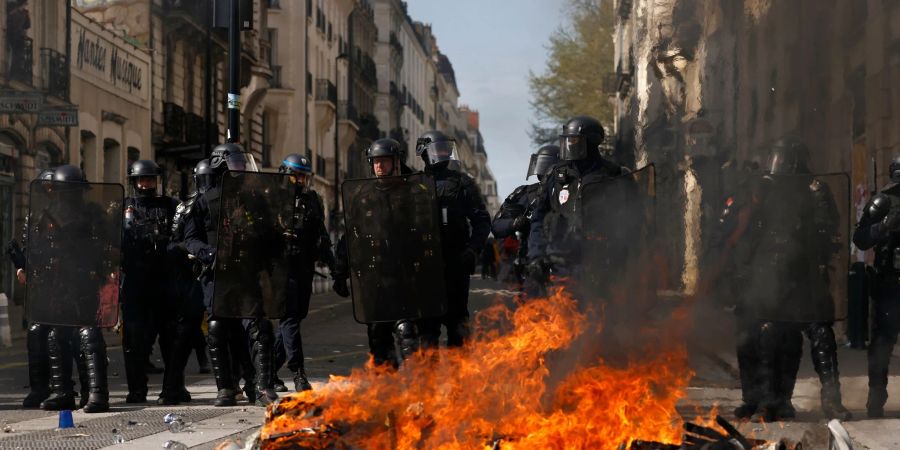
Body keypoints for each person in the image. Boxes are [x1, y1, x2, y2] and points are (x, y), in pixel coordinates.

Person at [735, 137, 850, 421]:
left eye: (783, 157)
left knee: (821, 332)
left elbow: (829, 229)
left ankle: (831, 400)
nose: (780, 162)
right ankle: (767, 400)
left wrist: (813, 250)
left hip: (806, 274)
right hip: (772, 275)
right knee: (766, 331)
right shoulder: (766, 188)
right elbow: (749, 229)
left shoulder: (816, 190)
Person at [183, 143, 283, 406]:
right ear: (221, 166)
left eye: (242, 163)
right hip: (218, 276)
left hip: (247, 273)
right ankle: (226, 387)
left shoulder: (254, 198)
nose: (241, 169)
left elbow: (269, 232)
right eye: (236, 163)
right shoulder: (204, 201)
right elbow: (190, 239)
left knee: (259, 327)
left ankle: (261, 386)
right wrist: (209, 253)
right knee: (218, 328)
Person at [334, 138, 440, 366]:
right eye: (375, 162)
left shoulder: (413, 192)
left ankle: (419, 387)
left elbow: (427, 232)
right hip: (375, 277)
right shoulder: (363, 196)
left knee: (407, 332)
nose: (379, 166)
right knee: (377, 337)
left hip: (405, 275)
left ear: (396, 162)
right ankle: (387, 388)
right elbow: (351, 235)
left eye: (384, 161)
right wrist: (339, 272)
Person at [28, 165, 117, 413]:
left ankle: (97, 393)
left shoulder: (92, 213)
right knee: (57, 336)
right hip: (57, 282)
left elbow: (111, 242)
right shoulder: (46, 216)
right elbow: (35, 247)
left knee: (88, 334)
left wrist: (96, 259)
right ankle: (62, 392)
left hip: (85, 279)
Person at [526, 116, 632, 296]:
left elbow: (629, 221)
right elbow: (538, 217)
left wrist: (622, 259)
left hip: (600, 262)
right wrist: (536, 255)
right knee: (563, 316)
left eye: (574, 141)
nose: (569, 145)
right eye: (567, 140)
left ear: (590, 143)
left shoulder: (614, 175)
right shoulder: (555, 174)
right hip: (560, 261)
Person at [412, 131, 491, 348]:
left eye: (445, 149)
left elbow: (482, 221)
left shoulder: (462, 183)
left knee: (458, 327)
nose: (443, 154)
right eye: (438, 150)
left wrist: (472, 250)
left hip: (455, 263)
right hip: (425, 268)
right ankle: (428, 380)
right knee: (426, 331)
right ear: (425, 153)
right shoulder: (413, 184)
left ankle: (459, 380)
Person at [272, 154, 335, 392]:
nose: (300, 180)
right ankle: (298, 373)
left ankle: (267, 370)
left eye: (303, 176)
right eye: (296, 175)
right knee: (289, 320)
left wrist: (334, 266)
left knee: (295, 319)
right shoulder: (274, 200)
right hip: (282, 270)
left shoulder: (312, 200)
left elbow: (321, 234)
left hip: (305, 268)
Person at [121, 160, 179, 404]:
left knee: (170, 339)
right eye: (142, 180)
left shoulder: (170, 206)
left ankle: (173, 388)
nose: (146, 184)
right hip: (135, 282)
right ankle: (137, 389)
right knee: (134, 340)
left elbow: (181, 235)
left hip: (164, 282)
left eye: (150, 180)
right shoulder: (124, 208)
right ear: (134, 182)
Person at [852, 152, 900, 418]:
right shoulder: (883, 202)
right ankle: (876, 397)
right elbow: (860, 239)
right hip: (890, 284)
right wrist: (883, 227)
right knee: (882, 344)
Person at [492, 144, 559, 286]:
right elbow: (497, 226)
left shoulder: (569, 193)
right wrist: (514, 223)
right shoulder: (525, 193)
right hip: (531, 262)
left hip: (562, 263)